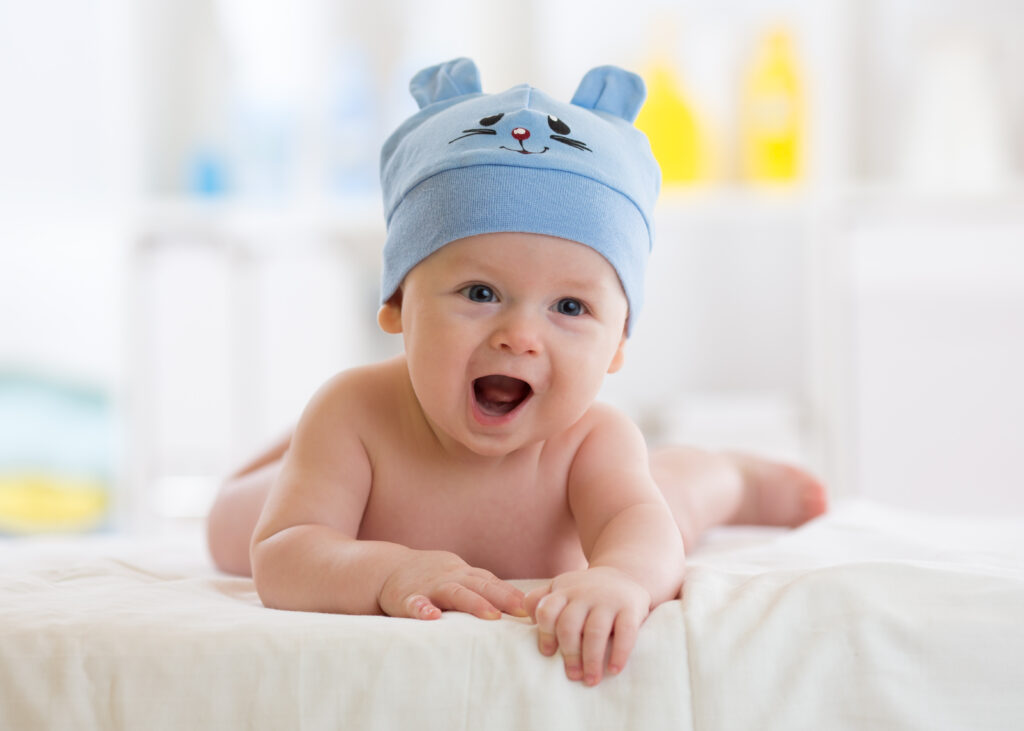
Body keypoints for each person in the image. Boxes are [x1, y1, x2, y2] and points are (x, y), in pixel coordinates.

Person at [206, 58, 827, 687]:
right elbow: (282, 558)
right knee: (231, 527)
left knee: (674, 503)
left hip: (584, 520)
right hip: (358, 485)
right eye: (479, 293)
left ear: (616, 346)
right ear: (396, 306)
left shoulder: (593, 439)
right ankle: (294, 446)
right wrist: (388, 571)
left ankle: (731, 476)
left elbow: (643, 539)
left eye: (569, 307)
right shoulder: (356, 413)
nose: (519, 337)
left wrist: (619, 577)